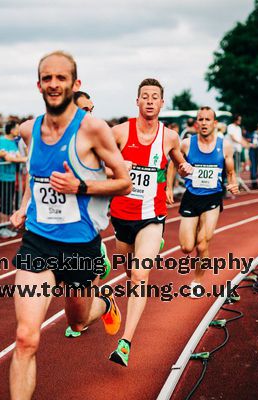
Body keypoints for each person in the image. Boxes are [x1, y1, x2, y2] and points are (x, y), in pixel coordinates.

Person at [8, 50, 131, 400]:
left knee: (77, 321)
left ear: (75, 84)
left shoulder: (93, 129)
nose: (53, 83)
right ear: (39, 84)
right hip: (38, 243)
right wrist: (23, 208)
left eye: (61, 78)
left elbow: (124, 182)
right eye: (47, 78)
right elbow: (38, 181)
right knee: (26, 337)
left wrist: (80, 186)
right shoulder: (28, 130)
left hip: (80, 246)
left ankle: (103, 303)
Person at [109, 78, 192, 367]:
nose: (149, 101)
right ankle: (110, 306)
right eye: (144, 96)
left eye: (154, 97)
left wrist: (184, 167)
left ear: (161, 103)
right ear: (137, 101)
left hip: (152, 215)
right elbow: (99, 162)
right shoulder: (119, 132)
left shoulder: (169, 136)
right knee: (127, 271)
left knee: (140, 277)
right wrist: (118, 166)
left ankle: (125, 342)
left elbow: (178, 160)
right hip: (121, 215)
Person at [167, 107, 239, 297]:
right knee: (186, 247)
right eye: (201, 119)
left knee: (202, 245)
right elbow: (172, 163)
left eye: (208, 119)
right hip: (191, 198)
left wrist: (233, 184)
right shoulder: (186, 144)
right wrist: (168, 188)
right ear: (197, 123)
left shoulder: (225, 146)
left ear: (215, 124)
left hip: (212, 198)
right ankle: (197, 234)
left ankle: (197, 282)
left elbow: (231, 172)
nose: (204, 123)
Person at [0, 120, 26, 238]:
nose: (18, 130)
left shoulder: (13, 142)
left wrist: (23, 158)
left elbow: (18, 156)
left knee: (9, 203)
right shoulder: (2, 141)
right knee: (4, 202)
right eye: (17, 128)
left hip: (12, 176)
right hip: (3, 176)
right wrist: (26, 159)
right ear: (12, 129)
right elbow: (9, 158)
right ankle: (1, 228)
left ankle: (6, 226)